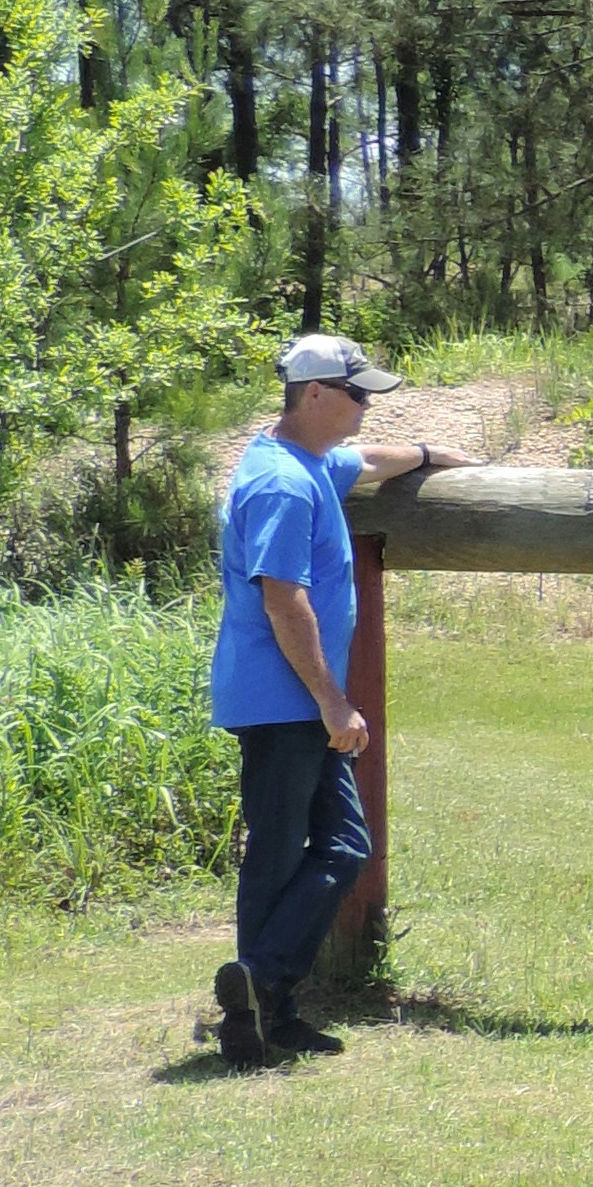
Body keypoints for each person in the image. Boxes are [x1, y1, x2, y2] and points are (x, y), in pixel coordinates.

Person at [203, 329, 458, 1065]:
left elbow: (368, 461)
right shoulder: (281, 482)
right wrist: (333, 700)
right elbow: (284, 600)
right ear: (314, 394)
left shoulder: (304, 460)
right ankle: (261, 1003)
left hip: (293, 702)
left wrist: (436, 457)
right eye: (356, 394)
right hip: (284, 702)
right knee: (289, 855)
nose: (365, 407)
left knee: (335, 847)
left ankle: (260, 1001)